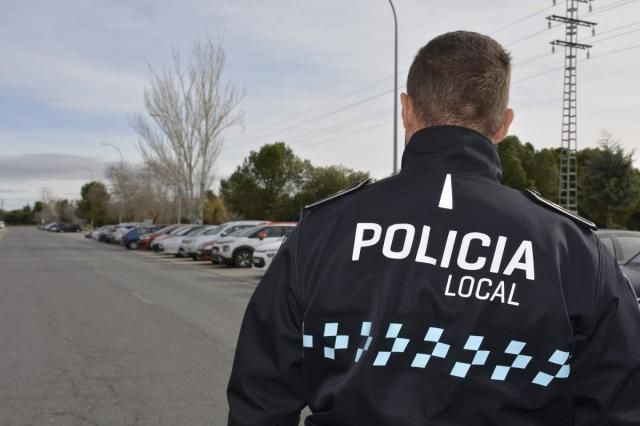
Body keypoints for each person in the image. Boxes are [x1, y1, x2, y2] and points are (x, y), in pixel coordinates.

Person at [227, 31, 640, 425]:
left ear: (407, 109)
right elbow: (619, 405)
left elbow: (261, 397)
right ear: (503, 125)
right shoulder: (571, 249)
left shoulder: (323, 231)